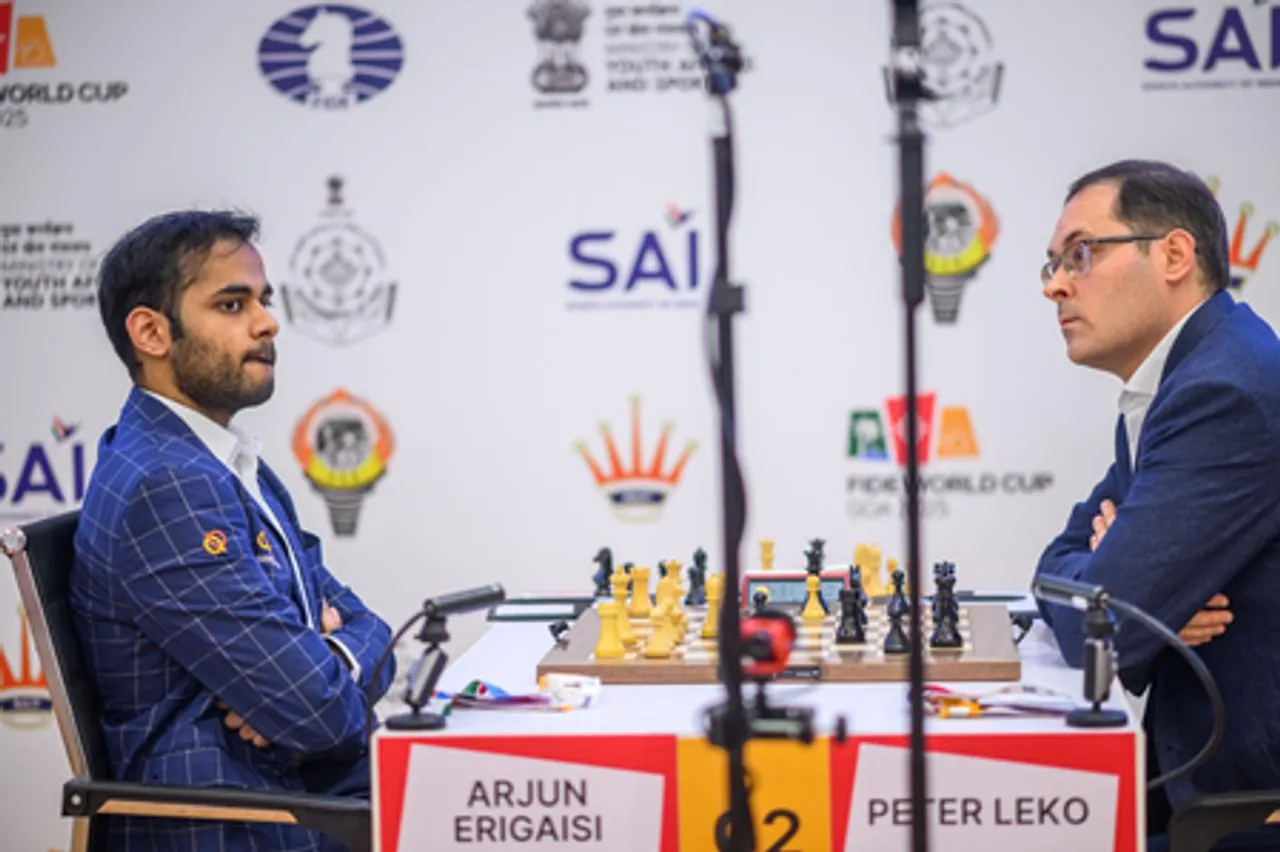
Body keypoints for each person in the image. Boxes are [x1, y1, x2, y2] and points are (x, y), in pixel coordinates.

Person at [70, 209, 396, 852]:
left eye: (264, 300)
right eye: (231, 303)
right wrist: (318, 675)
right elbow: (321, 712)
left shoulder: (221, 462)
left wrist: (330, 657)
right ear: (151, 332)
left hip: (300, 797)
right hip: (242, 823)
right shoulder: (168, 486)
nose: (268, 321)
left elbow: (369, 627)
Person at [1034, 160, 1280, 851]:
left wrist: (1135, 600)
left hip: (1245, 814)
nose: (1055, 284)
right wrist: (1130, 592)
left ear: (1173, 254)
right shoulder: (1176, 384)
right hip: (1204, 798)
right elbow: (1065, 572)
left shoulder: (1224, 391)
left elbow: (1112, 631)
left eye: (1080, 254)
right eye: (1052, 264)